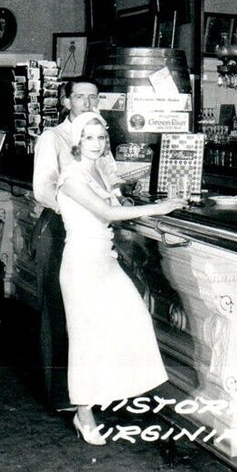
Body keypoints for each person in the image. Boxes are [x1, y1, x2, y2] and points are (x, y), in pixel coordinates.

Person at [55, 111, 185, 444]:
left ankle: (110, 392)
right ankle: (84, 414)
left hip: (104, 259)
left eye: (101, 137)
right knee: (85, 340)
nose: (96, 144)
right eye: (89, 138)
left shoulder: (96, 170)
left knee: (135, 318)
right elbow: (106, 213)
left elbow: (113, 202)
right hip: (82, 263)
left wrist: (131, 198)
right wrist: (159, 208)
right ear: (76, 141)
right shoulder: (71, 176)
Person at [31, 78, 120, 411]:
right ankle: (62, 396)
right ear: (67, 102)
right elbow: (42, 189)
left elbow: (109, 178)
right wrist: (79, 206)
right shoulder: (53, 137)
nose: (87, 102)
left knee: (89, 316)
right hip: (60, 226)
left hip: (91, 228)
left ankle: (91, 391)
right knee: (58, 311)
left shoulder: (99, 137)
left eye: (93, 97)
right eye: (80, 97)